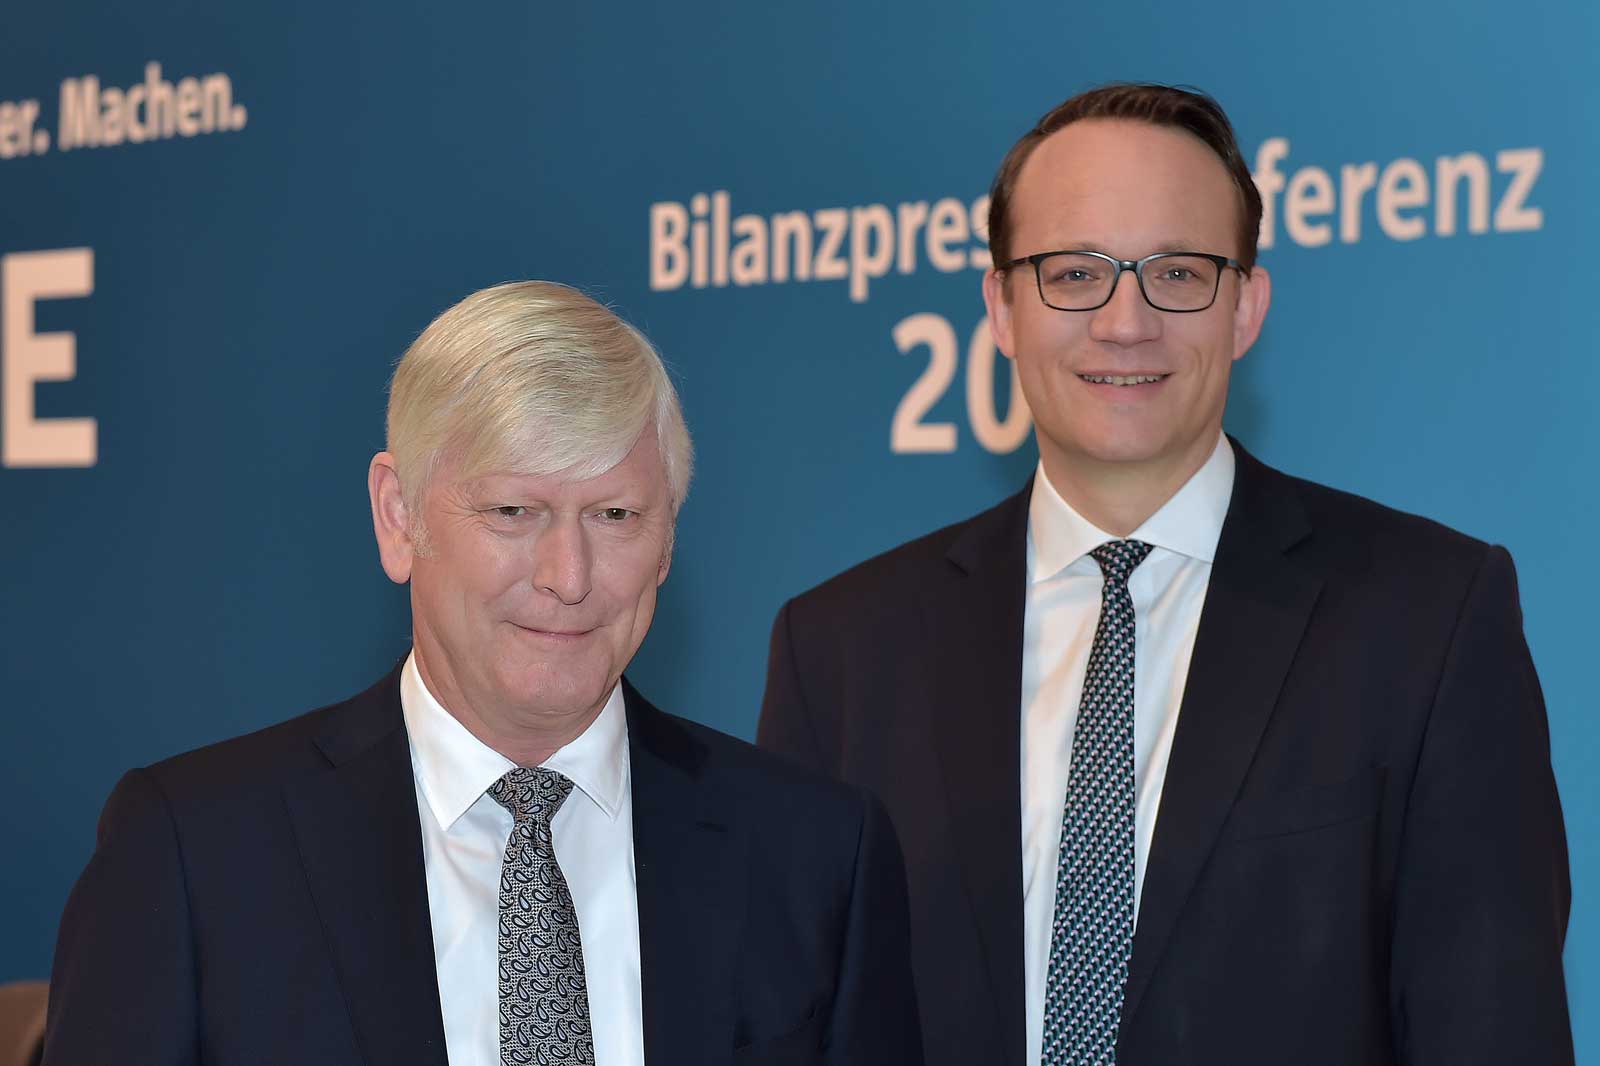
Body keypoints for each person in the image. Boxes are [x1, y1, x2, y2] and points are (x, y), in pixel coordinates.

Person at [758, 84, 1571, 1066]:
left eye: (1177, 272)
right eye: (1073, 273)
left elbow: (1491, 1028)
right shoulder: (842, 649)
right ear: (1001, 307)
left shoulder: (1429, 618)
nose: (1124, 321)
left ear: (1245, 307)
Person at [44, 281, 923, 1066]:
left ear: (668, 540)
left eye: (616, 514)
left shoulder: (815, 855)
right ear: (399, 518)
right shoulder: (197, 854)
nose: (568, 576)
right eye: (513, 511)